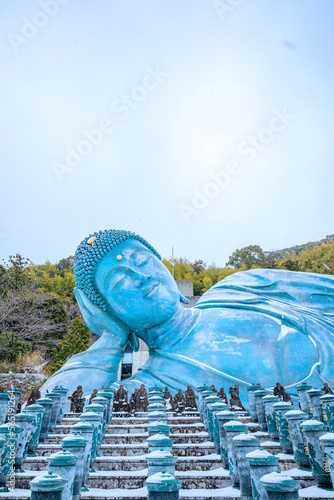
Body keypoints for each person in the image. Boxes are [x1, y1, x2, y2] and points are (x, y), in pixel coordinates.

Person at [41, 229, 334, 408]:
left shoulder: (244, 287)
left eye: (143, 261)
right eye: (119, 282)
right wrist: (110, 340)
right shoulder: (150, 386)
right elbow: (55, 412)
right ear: (107, 311)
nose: (141, 277)